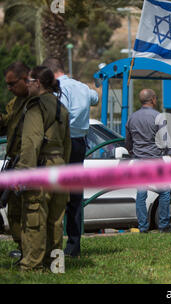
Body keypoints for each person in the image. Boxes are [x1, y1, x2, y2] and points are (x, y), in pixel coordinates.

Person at [13, 66, 70, 270]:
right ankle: (55, 264)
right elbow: (67, 144)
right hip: (60, 167)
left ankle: (32, 265)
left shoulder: (36, 107)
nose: (26, 85)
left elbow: (30, 143)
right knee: (56, 221)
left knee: (34, 216)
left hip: (41, 167)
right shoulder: (61, 107)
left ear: (37, 83)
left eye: (29, 81)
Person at [42, 58, 99, 258]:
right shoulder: (82, 87)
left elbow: (58, 115)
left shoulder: (57, 90)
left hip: (61, 142)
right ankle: (74, 245)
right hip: (80, 144)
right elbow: (95, 98)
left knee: (54, 191)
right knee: (75, 195)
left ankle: (50, 243)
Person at [0, 62, 31, 260]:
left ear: (25, 79)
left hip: (29, 164)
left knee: (30, 212)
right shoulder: (14, 103)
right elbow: (5, 127)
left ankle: (34, 252)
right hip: (14, 163)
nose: (9, 88)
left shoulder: (37, 101)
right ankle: (23, 248)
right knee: (13, 209)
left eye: (12, 83)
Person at [125, 89, 171, 233]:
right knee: (165, 192)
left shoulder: (132, 117)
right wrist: (170, 154)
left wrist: (132, 151)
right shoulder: (158, 116)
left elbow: (128, 142)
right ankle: (164, 225)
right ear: (152, 99)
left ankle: (143, 227)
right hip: (155, 160)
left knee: (141, 194)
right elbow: (165, 140)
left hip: (140, 160)